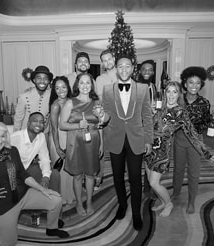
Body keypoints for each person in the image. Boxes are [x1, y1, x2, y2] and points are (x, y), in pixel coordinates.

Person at [0, 121, 69, 246]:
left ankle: (52, 229)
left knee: (56, 199)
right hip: (5, 204)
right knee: (9, 242)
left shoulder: (12, 150)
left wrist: (42, 189)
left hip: (24, 194)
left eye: (3, 136)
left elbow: (22, 174)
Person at [144, 81, 214, 217]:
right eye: (169, 91)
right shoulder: (160, 107)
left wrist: (206, 153)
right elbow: (149, 126)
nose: (171, 94)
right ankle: (163, 201)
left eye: (175, 91)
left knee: (154, 183)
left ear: (179, 95)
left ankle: (169, 204)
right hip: (149, 149)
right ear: (165, 93)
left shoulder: (180, 112)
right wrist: (151, 111)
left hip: (162, 151)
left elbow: (193, 135)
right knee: (150, 180)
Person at [101, 55, 153, 231]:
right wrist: (102, 118)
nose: (124, 70)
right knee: (117, 177)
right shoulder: (107, 90)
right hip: (115, 139)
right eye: (120, 67)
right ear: (116, 68)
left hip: (136, 139)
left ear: (133, 68)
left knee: (135, 178)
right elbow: (107, 114)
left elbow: (147, 116)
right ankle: (122, 205)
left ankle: (137, 213)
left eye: (127, 66)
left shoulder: (143, 89)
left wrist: (148, 140)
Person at [171, 66, 214, 214]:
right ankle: (176, 193)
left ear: (201, 85)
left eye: (197, 83)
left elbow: (205, 123)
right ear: (185, 84)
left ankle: (191, 201)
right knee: (178, 171)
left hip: (195, 141)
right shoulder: (178, 100)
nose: (194, 86)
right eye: (191, 82)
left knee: (194, 172)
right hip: (179, 140)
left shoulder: (205, 103)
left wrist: (212, 118)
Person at [59, 73, 103, 216]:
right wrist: (78, 125)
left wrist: (101, 144)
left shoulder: (97, 102)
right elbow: (62, 125)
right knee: (77, 175)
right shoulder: (70, 102)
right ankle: (79, 203)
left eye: (88, 83)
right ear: (77, 85)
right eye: (82, 83)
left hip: (93, 141)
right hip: (75, 142)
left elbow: (100, 125)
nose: (85, 86)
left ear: (91, 85)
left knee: (90, 175)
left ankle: (89, 202)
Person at [10, 112, 64, 227]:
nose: (38, 124)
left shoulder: (41, 137)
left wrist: (45, 177)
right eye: (35, 120)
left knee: (54, 174)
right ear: (28, 122)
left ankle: (55, 215)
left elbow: (44, 159)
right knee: (34, 177)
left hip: (26, 169)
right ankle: (35, 212)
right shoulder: (15, 138)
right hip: (13, 173)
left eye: (41, 122)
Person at [48, 76, 76, 204]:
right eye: (57, 88)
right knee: (61, 171)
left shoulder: (71, 101)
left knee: (70, 169)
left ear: (68, 88)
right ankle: (61, 198)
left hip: (69, 138)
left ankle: (70, 195)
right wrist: (58, 148)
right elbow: (53, 129)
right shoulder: (55, 105)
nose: (61, 90)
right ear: (54, 90)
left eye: (63, 87)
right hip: (57, 139)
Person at [94, 49, 117, 190]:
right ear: (102, 63)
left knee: (121, 150)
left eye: (109, 59)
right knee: (101, 149)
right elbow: (99, 100)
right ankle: (99, 176)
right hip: (105, 118)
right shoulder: (100, 79)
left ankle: (121, 175)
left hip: (121, 120)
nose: (107, 62)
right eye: (104, 60)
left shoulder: (124, 74)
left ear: (114, 58)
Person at [138, 59, 158, 197]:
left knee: (149, 156)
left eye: (149, 69)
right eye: (144, 69)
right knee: (136, 157)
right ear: (140, 71)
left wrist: (155, 109)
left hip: (150, 125)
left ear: (152, 72)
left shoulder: (153, 86)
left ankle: (147, 186)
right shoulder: (135, 86)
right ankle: (136, 184)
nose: (147, 71)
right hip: (137, 127)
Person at [13, 65, 53, 132]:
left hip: (43, 136)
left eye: (45, 78)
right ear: (34, 80)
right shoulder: (23, 97)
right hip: (26, 136)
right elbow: (18, 121)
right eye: (39, 78)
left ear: (49, 81)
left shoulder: (52, 96)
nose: (42, 81)